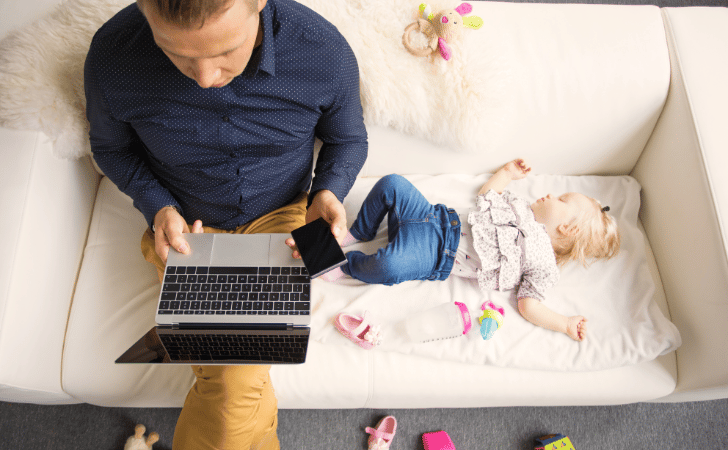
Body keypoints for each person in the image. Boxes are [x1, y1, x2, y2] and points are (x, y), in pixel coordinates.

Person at [84, 0, 367, 448]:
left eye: (224, 53)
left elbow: (347, 138)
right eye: (177, 54)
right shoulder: (112, 56)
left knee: (232, 377)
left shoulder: (321, 50)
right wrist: (158, 208)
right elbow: (111, 149)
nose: (204, 78)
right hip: (184, 230)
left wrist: (326, 193)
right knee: (237, 377)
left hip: (285, 222)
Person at [322, 159, 620, 342]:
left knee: (389, 266)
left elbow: (530, 306)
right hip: (433, 215)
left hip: (435, 253)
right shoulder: (519, 207)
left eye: (562, 200)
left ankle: (346, 265)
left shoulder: (543, 264)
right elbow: (488, 194)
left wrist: (565, 323)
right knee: (392, 183)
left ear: (569, 230)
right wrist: (507, 172)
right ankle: (359, 230)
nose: (552, 195)